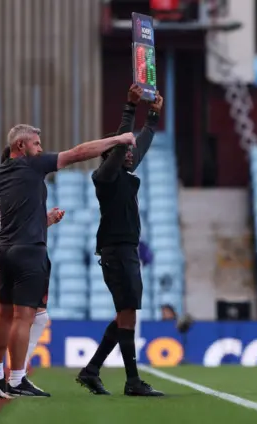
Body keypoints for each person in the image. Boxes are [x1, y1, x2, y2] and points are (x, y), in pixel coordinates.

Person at [0, 124, 135, 398]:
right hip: (29, 251)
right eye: (37, 143)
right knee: (24, 318)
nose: (40, 148)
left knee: (3, 315)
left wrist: (45, 220)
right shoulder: (32, 166)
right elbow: (77, 153)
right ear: (22, 147)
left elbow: (20, 215)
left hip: (4, 251)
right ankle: (16, 380)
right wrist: (118, 139)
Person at [76, 85, 164, 397]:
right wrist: (129, 108)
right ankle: (131, 381)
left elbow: (140, 145)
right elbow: (124, 144)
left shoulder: (124, 172)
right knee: (127, 312)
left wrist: (152, 117)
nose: (131, 152)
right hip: (116, 251)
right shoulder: (104, 177)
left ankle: (92, 371)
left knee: (126, 314)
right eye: (124, 150)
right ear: (110, 155)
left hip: (125, 251)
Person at [0, 147, 65, 398]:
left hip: (1, 256)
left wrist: (45, 221)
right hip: (3, 257)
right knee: (8, 317)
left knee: (11, 317)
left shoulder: (9, 189)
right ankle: (5, 375)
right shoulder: (14, 188)